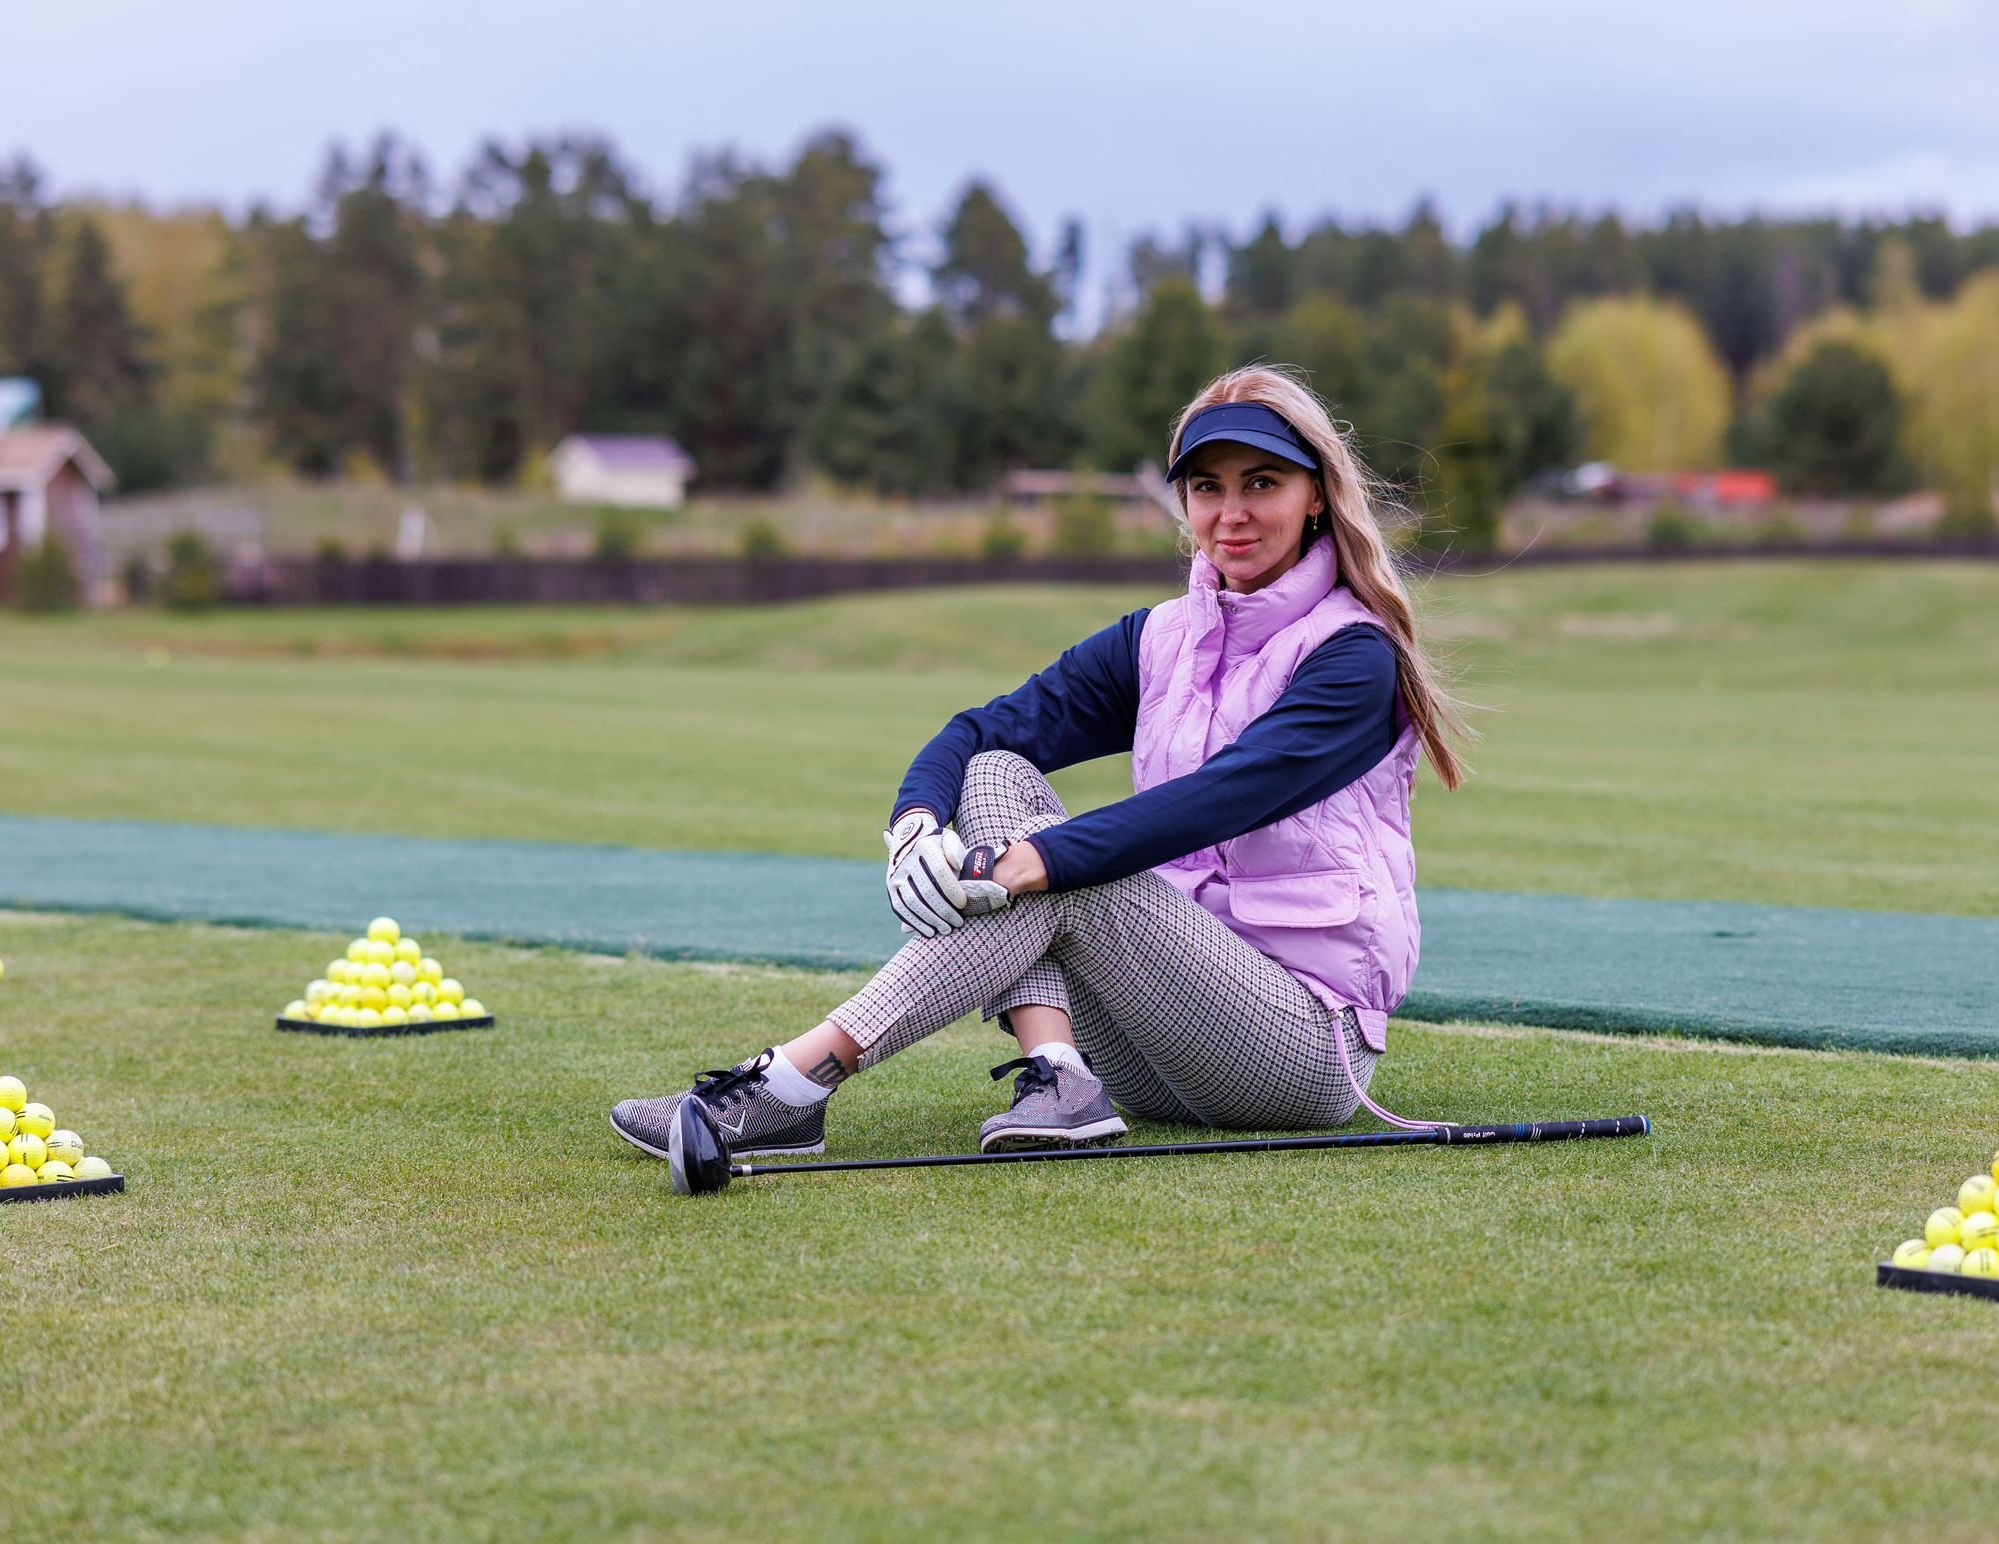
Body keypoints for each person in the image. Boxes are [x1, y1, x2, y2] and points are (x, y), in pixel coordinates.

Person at [607, 367, 1467, 1162]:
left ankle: (793, 1081)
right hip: (1151, 1039)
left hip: (1302, 1052)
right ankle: (1060, 1074)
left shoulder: (1356, 658)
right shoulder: (1159, 637)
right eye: (1207, 487)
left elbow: (1220, 799)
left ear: (1316, 495)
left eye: (1262, 484)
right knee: (991, 777)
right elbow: (982, 730)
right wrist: (914, 831)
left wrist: (1029, 863)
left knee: (1080, 868)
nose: (1230, 514)